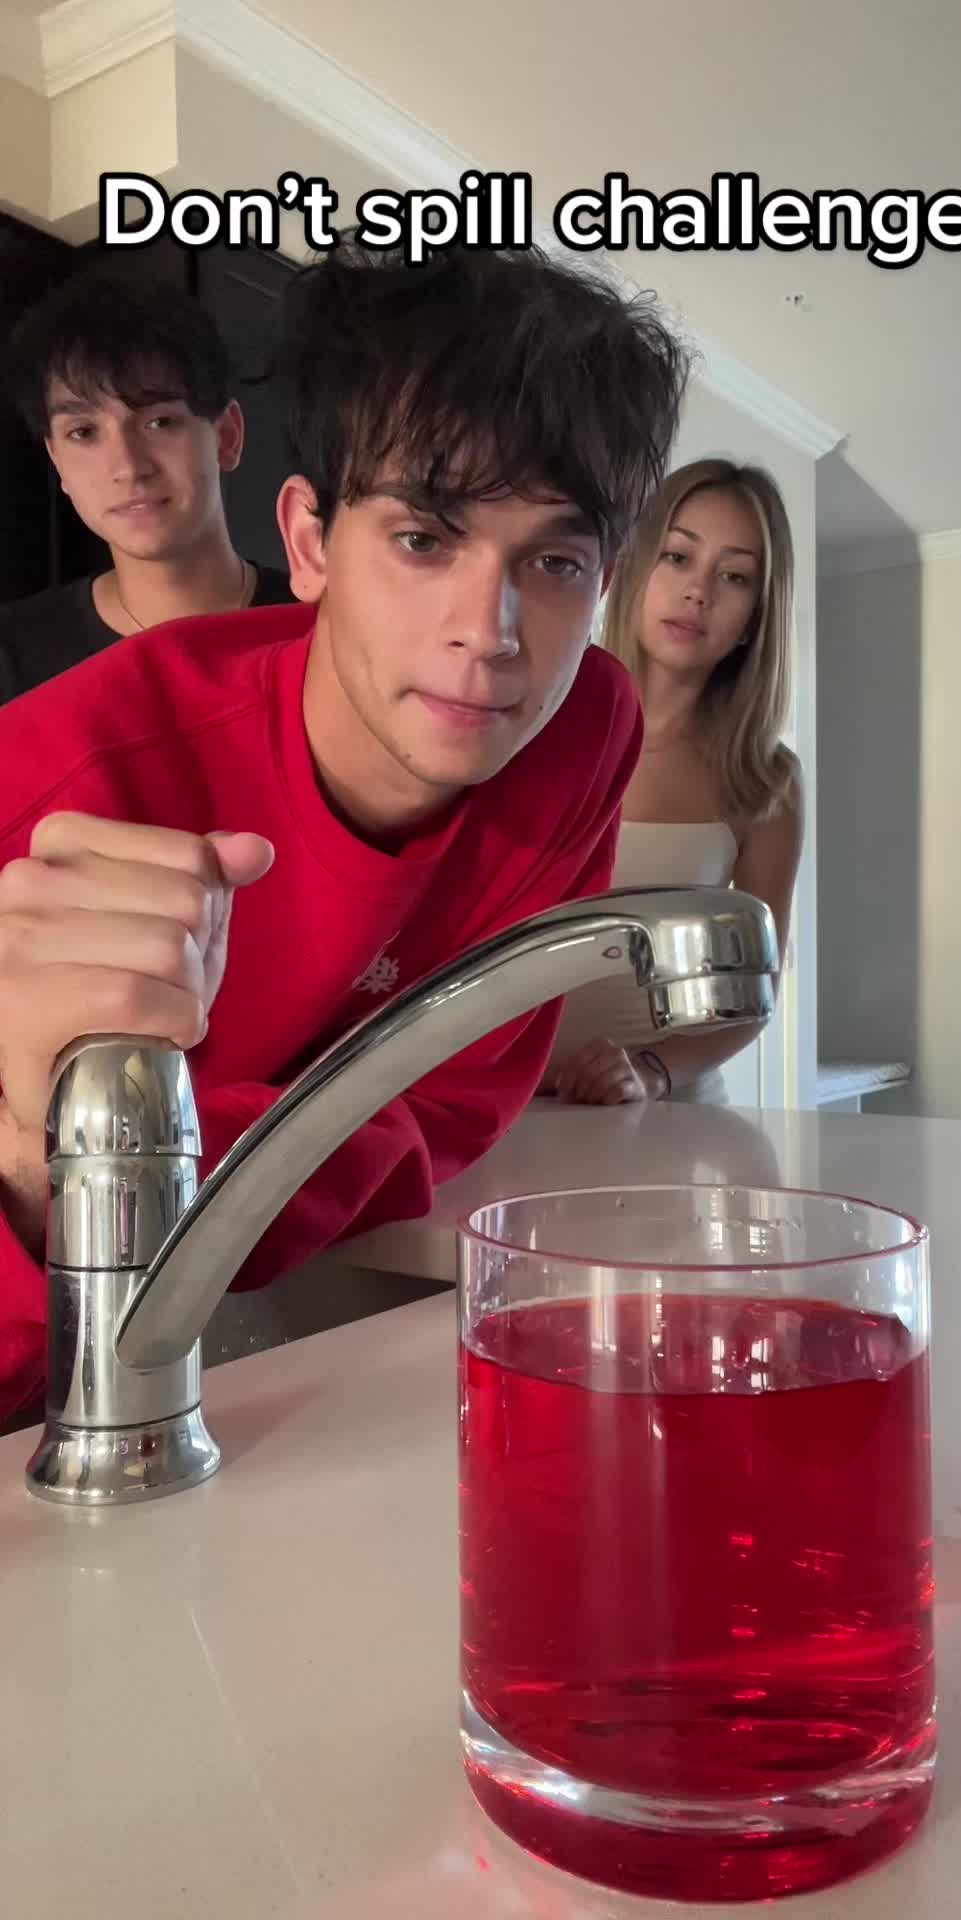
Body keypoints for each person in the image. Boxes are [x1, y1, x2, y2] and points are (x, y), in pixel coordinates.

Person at [0, 235, 688, 1424]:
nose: (491, 631)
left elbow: (459, 1091)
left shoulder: (585, 728)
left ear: (604, 584)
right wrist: (32, 1172)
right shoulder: (59, 774)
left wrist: (140, 1172)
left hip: (246, 1340)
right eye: (424, 540)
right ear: (310, 543)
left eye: (554, 561)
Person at [544, 457, 804, 1106]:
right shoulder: (535, 726)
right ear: (635, 566)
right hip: (511, 1107)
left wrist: (650, 1072)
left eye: (735, 576)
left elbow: (754, 994)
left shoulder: (766, 779)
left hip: (668, 1117)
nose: (699, 592)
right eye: (678, 557)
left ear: (756, 616)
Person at [0, 270, 294, 703]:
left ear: (227, 436)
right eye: (83, 432)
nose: (129, 467)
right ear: (56, 458)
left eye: (160, 422)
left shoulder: (320, 628)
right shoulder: (13, 657)